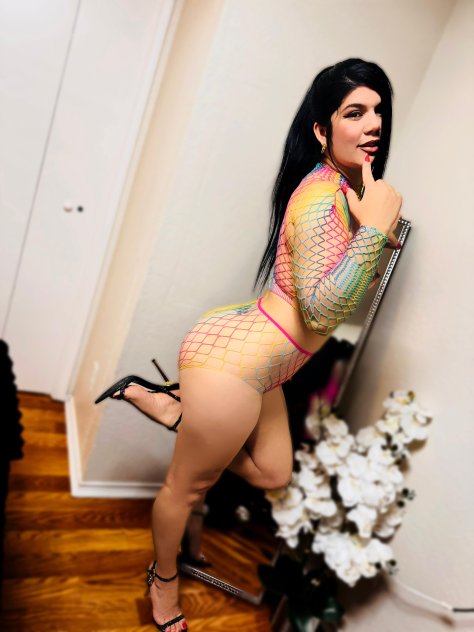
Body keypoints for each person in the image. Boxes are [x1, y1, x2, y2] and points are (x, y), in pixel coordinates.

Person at [95, 58, 402, 631]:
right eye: (355, 112)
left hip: (260, 363)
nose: (373, 124)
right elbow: (321, 310)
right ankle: (162, 587)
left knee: (274, 474)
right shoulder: (321, 200)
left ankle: (175, 410)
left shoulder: (344, 191)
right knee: (184, 488)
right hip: (233, 364)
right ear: (321, 129)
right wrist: (373, 235)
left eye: (378, 111)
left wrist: (370, 229)